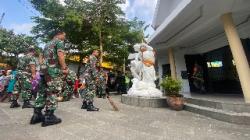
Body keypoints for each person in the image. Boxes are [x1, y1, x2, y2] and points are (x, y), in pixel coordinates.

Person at [30, 31, 68, 127]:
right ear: (59, 35)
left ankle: (36, 115)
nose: (64, 37)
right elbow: (60, 55)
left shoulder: (47, 44)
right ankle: (49, 116)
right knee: (52, 92)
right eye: (64, 35)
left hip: (43, 70)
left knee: (41, 92)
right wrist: (64, 68)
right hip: (52, 71)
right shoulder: (58, 42)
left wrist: (42, 66)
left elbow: (40, 57)